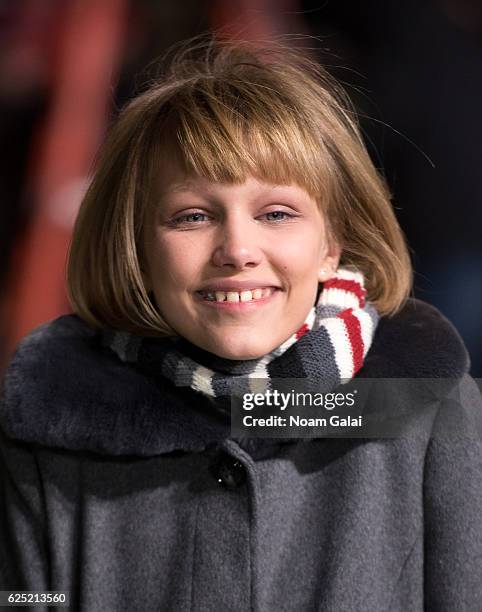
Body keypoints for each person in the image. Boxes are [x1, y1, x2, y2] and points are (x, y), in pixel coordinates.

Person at [1, 37, 481, 612]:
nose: (237, 249)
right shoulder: (50, 419)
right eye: (193, 216)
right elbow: (26, 600)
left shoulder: (431, 408)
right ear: (136, 249)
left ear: (333, 244)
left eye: (277, 213)